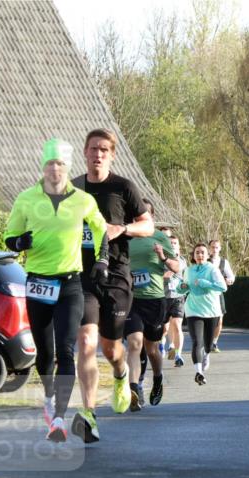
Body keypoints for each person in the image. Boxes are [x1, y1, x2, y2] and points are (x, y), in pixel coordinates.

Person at [5, 138, 108, 442]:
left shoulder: (83, 200)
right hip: (37, 281)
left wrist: (102, 261)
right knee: (45, 353)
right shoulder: (26, 198)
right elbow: (9, 237)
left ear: (67, 168)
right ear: (43, 167)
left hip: (70, 282)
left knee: (66, 349)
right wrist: (20, 242)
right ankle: (49, 398)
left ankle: (60, 418)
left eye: (60, 164)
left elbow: (101, 231)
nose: (54, 170)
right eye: (50, 164)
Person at [71, 129, 154, 443]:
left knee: (111, 349)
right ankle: (89, 415)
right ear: (85, 151)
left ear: (112, 154)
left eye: (104, 149)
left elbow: (149, 226)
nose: (98, 154)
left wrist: (123, 228)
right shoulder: (73, 188)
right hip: (82, 276)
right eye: (93, 149)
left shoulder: (123, 187)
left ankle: (121, 375)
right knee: (87, 342)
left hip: (117, 276)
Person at [125, 219, 180, 410]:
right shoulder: (126, 235)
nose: (137, 218)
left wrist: (163, 257)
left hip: (154, 299)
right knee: (134, 343)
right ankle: (133, 389)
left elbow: (176, 267)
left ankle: (157, 379)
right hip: (132, 299)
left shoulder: (159, 236)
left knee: (152, 349)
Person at [177, 243, 228, 385]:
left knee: (207, 342)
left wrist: (206, 283)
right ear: (193, 255)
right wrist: (181, 287)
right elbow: (182, 289)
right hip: (193, 309)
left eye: (202, 253)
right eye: (197, 252)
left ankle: (207, 354)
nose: (200, 255)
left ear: (207, 255)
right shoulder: (188, 270)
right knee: (196, 342)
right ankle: (198, 372)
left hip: (211, 310)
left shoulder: (213, 270)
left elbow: (223, 287)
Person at [164, 234, 188, 368]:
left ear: (179, 246)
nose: (172, 245)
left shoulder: (183, 261)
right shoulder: (161, 259)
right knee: (164, 327)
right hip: (163, 296)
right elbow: (155, 275)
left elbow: (186, 277)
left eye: (175, 243)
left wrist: (186, 284)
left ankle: (178, 355)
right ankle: (165, 346)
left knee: (177, 324)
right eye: (170, 243)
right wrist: (164, 276)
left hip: (178, 297)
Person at [208, 239, 235, 352]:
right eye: (213, 247)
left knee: (219, 320)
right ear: (209, 248)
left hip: (218, 295)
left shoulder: (224, 262)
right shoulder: (205, 261)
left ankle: (214, 342)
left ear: (220, 248)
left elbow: (231, 278)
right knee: (207, 320)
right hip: (207, 294)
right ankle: (206, 341)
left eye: (217, 247)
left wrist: (228, 280)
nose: (214, 249)